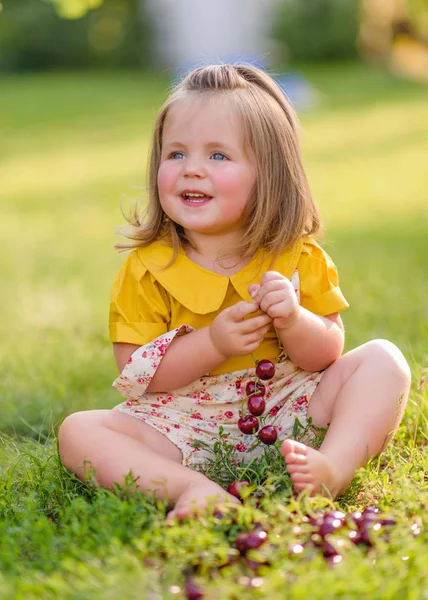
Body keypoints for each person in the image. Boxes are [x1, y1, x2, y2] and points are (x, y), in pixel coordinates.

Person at [58, 64, 411, 519]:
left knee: (384, 360)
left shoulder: (297, 256)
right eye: (176, 154)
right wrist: (212, 344)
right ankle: (191, 488)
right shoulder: (148, 268)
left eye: (218, 157)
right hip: (183, 425)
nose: (192, 171)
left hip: (291, 409)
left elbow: (326, 354)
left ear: (269, 175)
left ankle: (332, 467)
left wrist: (295, 320)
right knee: (79, 432)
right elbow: (136, 373)